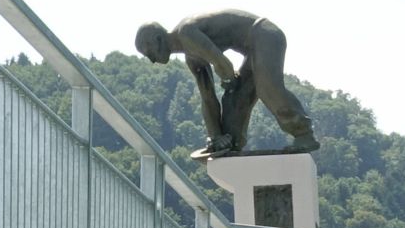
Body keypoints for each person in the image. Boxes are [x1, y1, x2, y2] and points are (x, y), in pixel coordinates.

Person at [135, 9, 320, 154]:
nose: (151, 59)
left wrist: (229, 80)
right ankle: (232, 143)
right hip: (251, 48)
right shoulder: (192, 58)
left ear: (158, 39)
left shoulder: (186, 33)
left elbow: (223, 64)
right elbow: (208, 98)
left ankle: (303, 133)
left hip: (264, 34)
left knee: (267, 89)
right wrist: (216, 136)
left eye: (148, 52)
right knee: (234, 103)